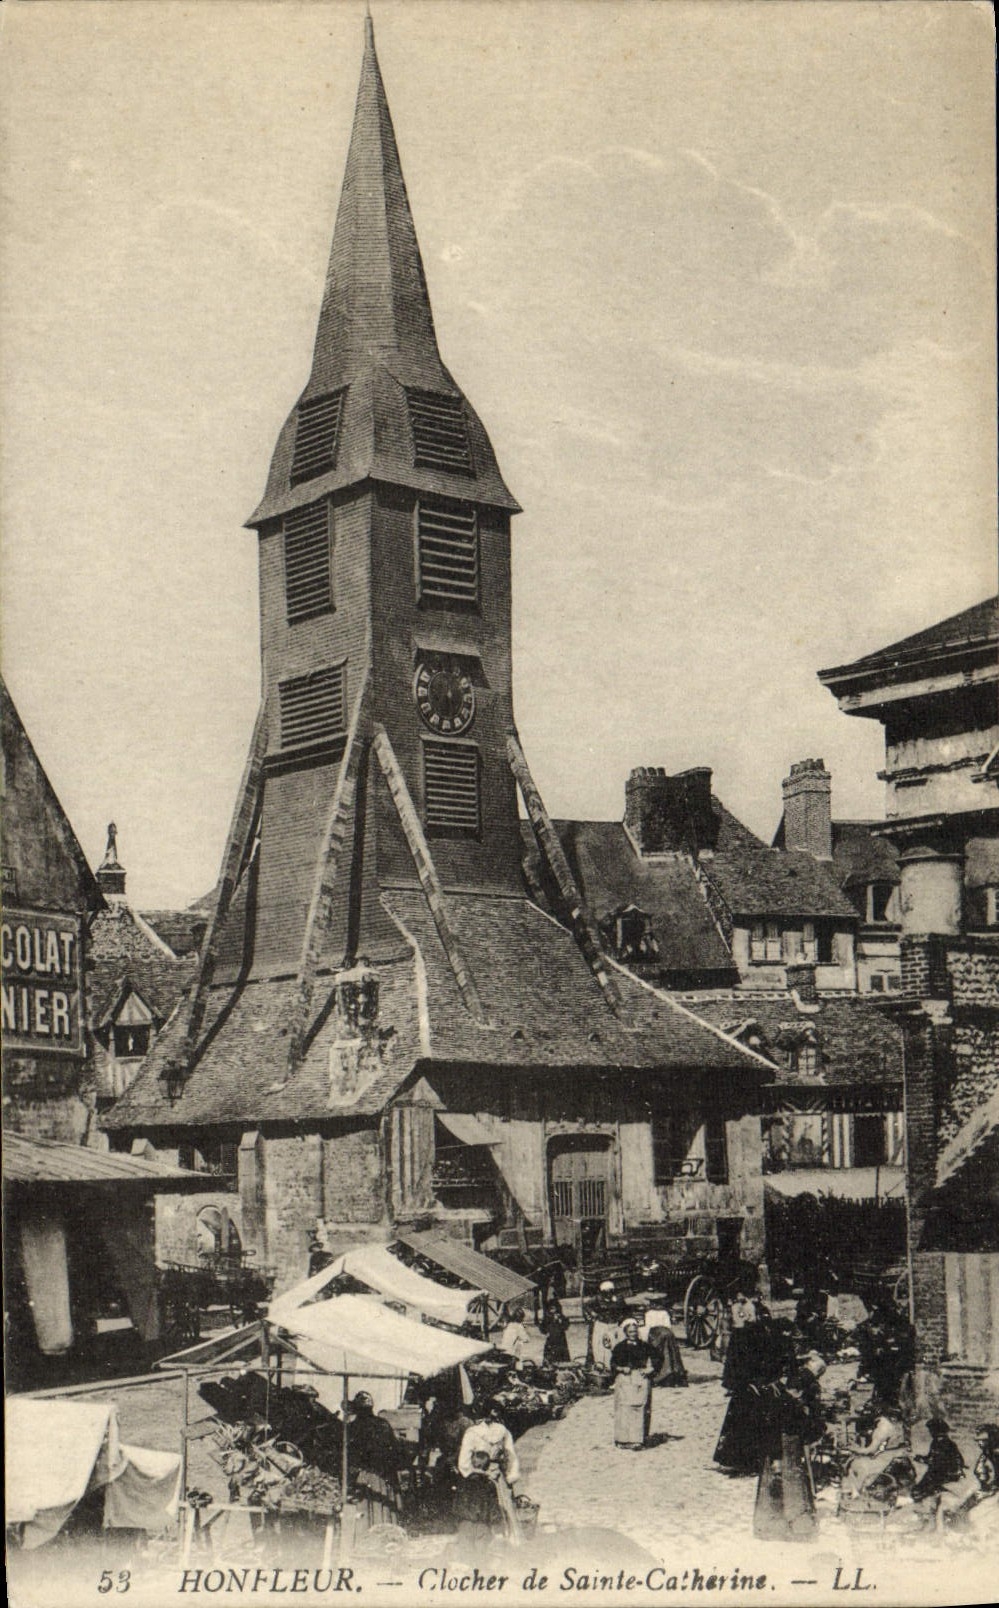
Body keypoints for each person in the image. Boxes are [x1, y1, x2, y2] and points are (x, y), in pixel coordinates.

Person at [752, 1354, 826, 1541]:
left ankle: (775, 1524)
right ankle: (795, 1524)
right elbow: (785, 1427)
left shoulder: (786, 1399)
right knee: (789, 1483)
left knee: (781, 1483)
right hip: (782, 1446)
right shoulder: (787, 1403)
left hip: (784, 1446)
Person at [713, 1298, 790, 1473]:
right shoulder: (741, 1336)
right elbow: (734, 1363)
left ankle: (761, 1459)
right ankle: (744, 1461)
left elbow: (774, 1359)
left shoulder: (765, 1334)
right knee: (745, 1420)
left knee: (763, 1420)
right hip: (748, 1385)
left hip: (760, 1383)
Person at [458, 1399, 522, 1539]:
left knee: (482, 1508)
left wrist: (471, 1473)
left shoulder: (472, 1433)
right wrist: (510, 1474)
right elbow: (511, 1456)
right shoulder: (502, 1431)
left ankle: (486, 1541)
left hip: (479, 1476)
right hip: (498, 1475)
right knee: (504, 1504)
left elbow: (463, 1461)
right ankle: (508, 1538)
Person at [347, 1391, 405, 1528]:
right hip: (384, 1474)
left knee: (366, 1505)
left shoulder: (353, 1427)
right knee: (383, 1506)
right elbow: (395, 1448)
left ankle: (365, 1533)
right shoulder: (382, 1424)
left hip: (365, 1474)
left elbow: (351, 1452)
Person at [839, 1402, 909, 1498]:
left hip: (886, 1458)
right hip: (898, 1453)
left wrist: (853, 1449)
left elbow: (871, 1450)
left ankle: (857, 1492)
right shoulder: (896, 1424)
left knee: (855, 1464)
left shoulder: (883, 1427)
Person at [609, 1318, 655, 1450]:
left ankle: (638, 1439)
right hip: (624, 1380)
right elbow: (613, 1364)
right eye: (630, 1332)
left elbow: (658, 1358)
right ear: (625, 1332)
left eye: (635, 1331)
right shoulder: (620, 1347)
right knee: (624, 1409)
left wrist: (650, 1369)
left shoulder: (644, 1345)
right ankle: (622, 1440)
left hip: (640, 1378)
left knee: (640, 1409)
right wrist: (621, 1368)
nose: (633, 1334)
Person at [453, 1448, 502, 1556]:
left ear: (472, 1464)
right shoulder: (489, 1484)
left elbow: (456, 1505)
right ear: (487, 1466)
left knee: (467, 1557)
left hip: (465, 1524)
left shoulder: (463, 1482)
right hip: (482, 1525)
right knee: (481, 1557)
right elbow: (493, 1508)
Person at [911, 1417, 965, 1511]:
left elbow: (938, 1462)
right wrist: (919, 1458)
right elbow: (931, 1458)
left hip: (944, 1473)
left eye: (932, 1430)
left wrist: (924, 1460)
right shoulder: (936, 1442)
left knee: (919, 1491)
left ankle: (926, 1510)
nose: (930, 1433)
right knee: (920, 1489)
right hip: (936, 1472)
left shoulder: (946, 1444)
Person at [539, 1298, 571, 1367]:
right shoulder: (547, 1317)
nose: (552, 1310)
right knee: (550, 1355)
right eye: (550, 1308)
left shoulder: (561, 1316)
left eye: (554, 1308)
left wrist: (560, 1320)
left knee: (561, 1355)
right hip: (551, 1339)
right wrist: (546, 1331)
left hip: (561, 1339)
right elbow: (542, 1328)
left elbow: (566, 1326)